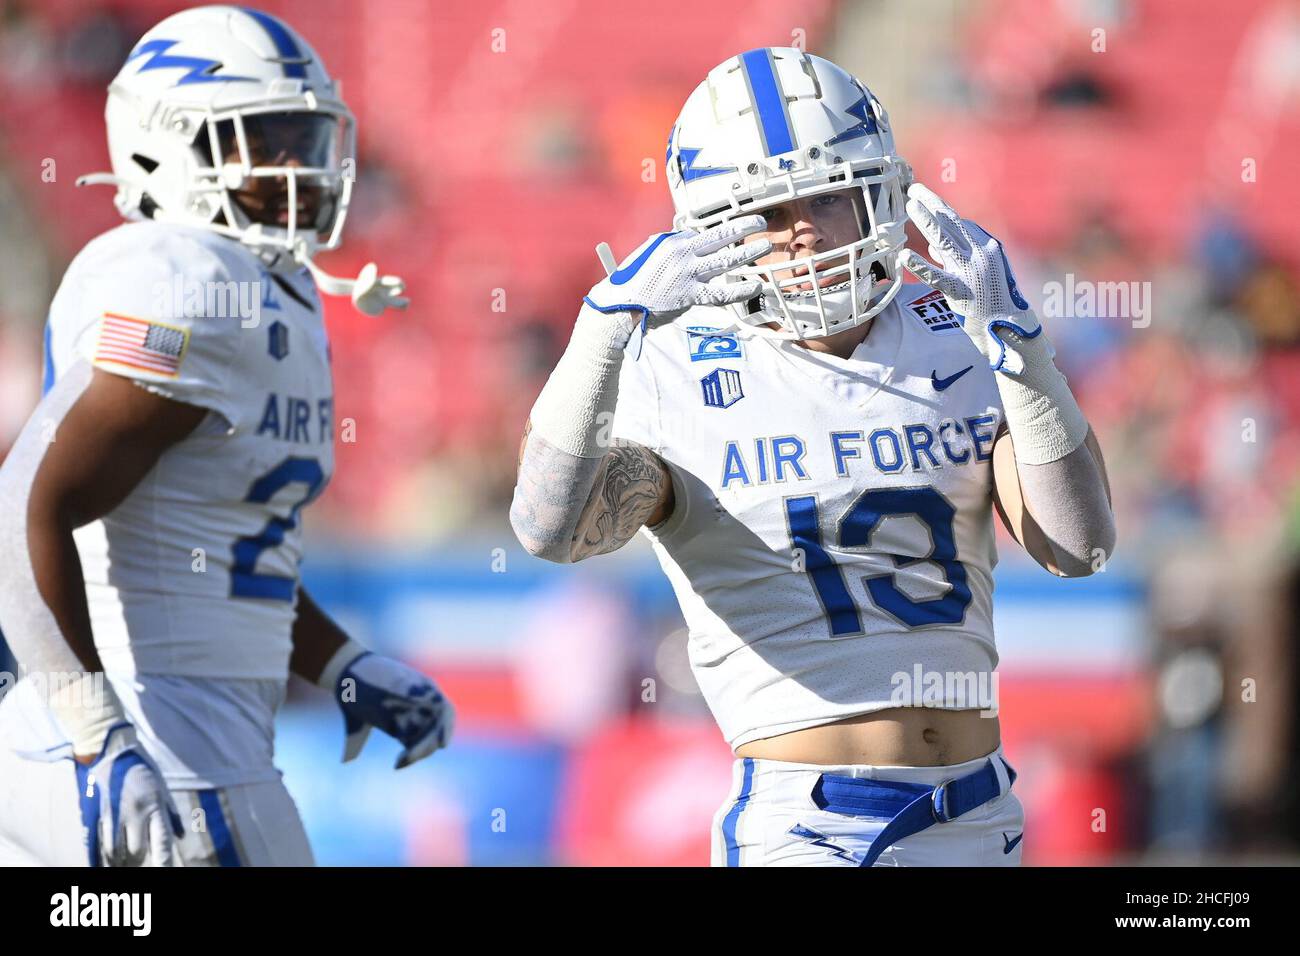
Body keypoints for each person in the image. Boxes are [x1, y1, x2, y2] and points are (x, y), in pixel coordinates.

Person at [510, 47, 1115, 866]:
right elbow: (547, 528)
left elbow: (1079, 545)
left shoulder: (961, 330)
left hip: (982, 808)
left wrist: (1026, 354)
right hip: (813, 825)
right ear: (713, 231)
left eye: (827, 195)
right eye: (767, 212)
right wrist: (597, 340)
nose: (801, 231)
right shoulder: (673, 367)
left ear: (880, 191)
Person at [0, 5, 452, 867]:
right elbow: (23, 504)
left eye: (304, 139)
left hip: (163, 744)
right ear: (168, 147)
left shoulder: (270, 287)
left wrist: (342, 664)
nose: (298, 167)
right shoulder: (182, 281)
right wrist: (96, 730)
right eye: (265, 140)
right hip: (162, 753)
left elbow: (231, 547)